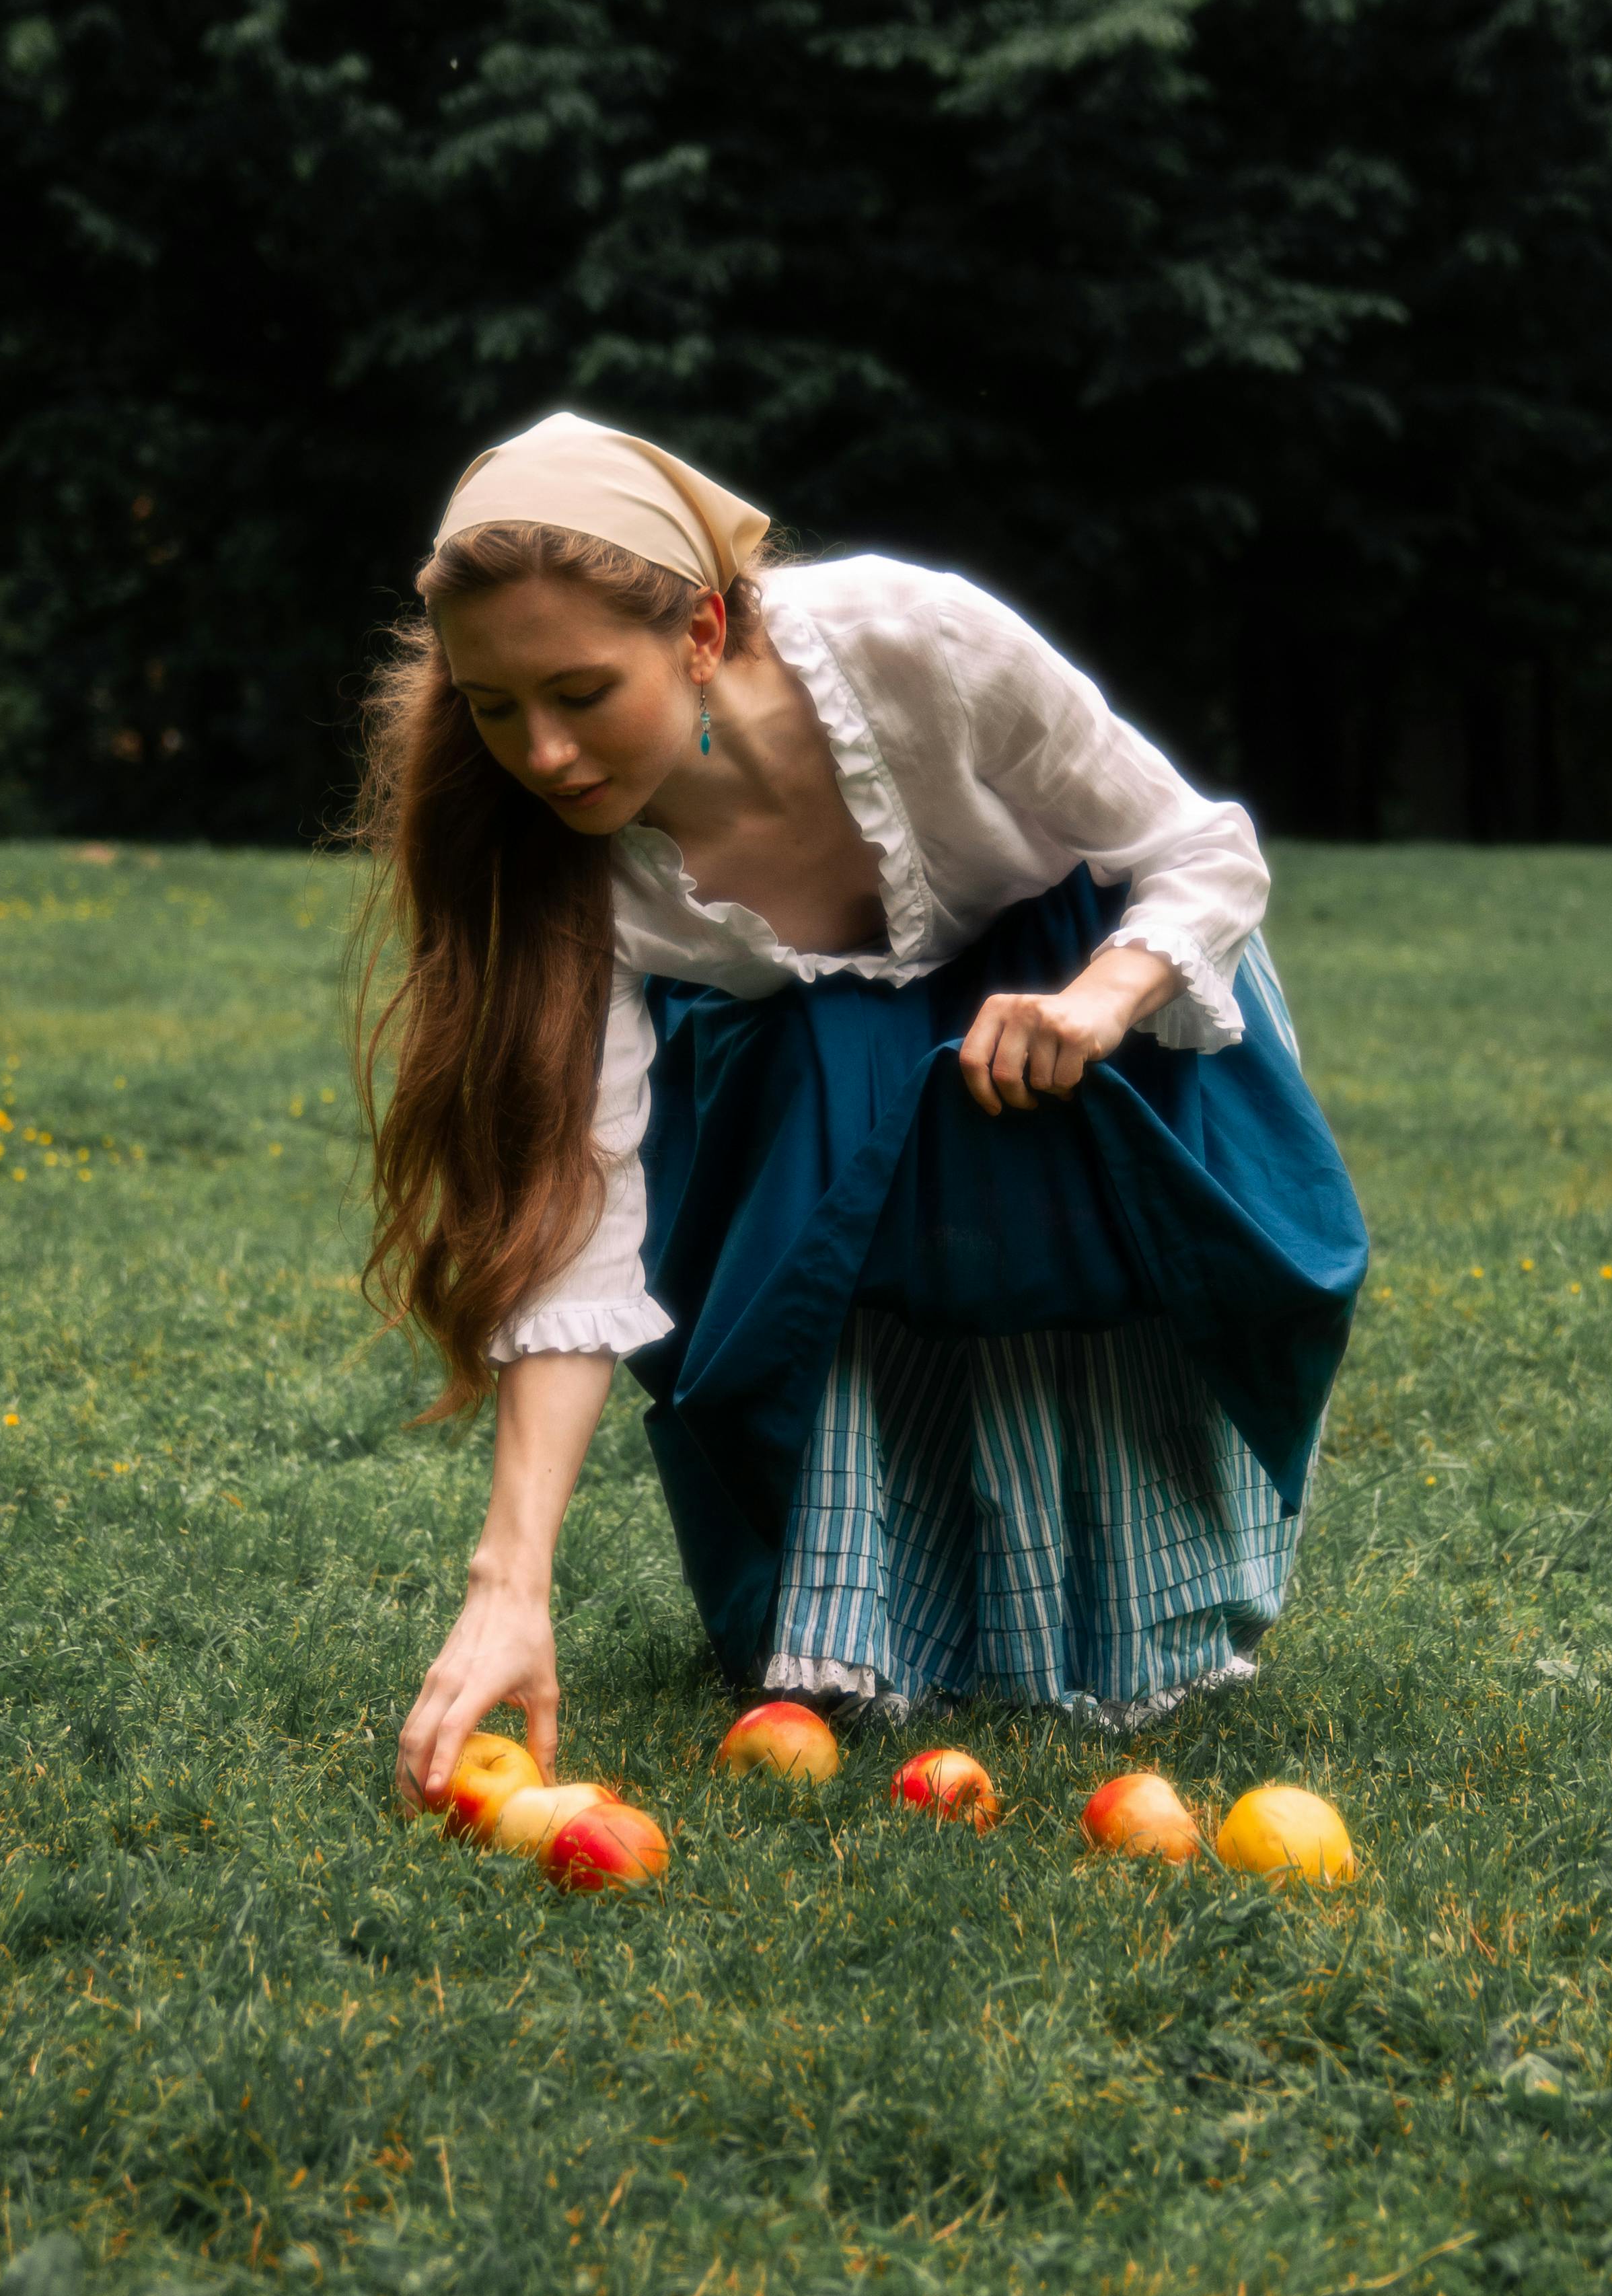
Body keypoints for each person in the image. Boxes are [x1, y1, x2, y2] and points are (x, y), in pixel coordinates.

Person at [363, 412, 1368, 1810]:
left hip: (1087, 1023)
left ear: (703, 630)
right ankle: (888, 1602)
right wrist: (507, 1583)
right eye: (491, 705)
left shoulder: (916, 644)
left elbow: (1197, 847)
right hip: (829, 1099)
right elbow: (569, 1210)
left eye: (583, 692)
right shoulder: (546, 856)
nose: (541, 751)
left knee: (1124, 1585)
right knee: (828, 1095)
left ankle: (1113, 1588)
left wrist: (1097, 999)